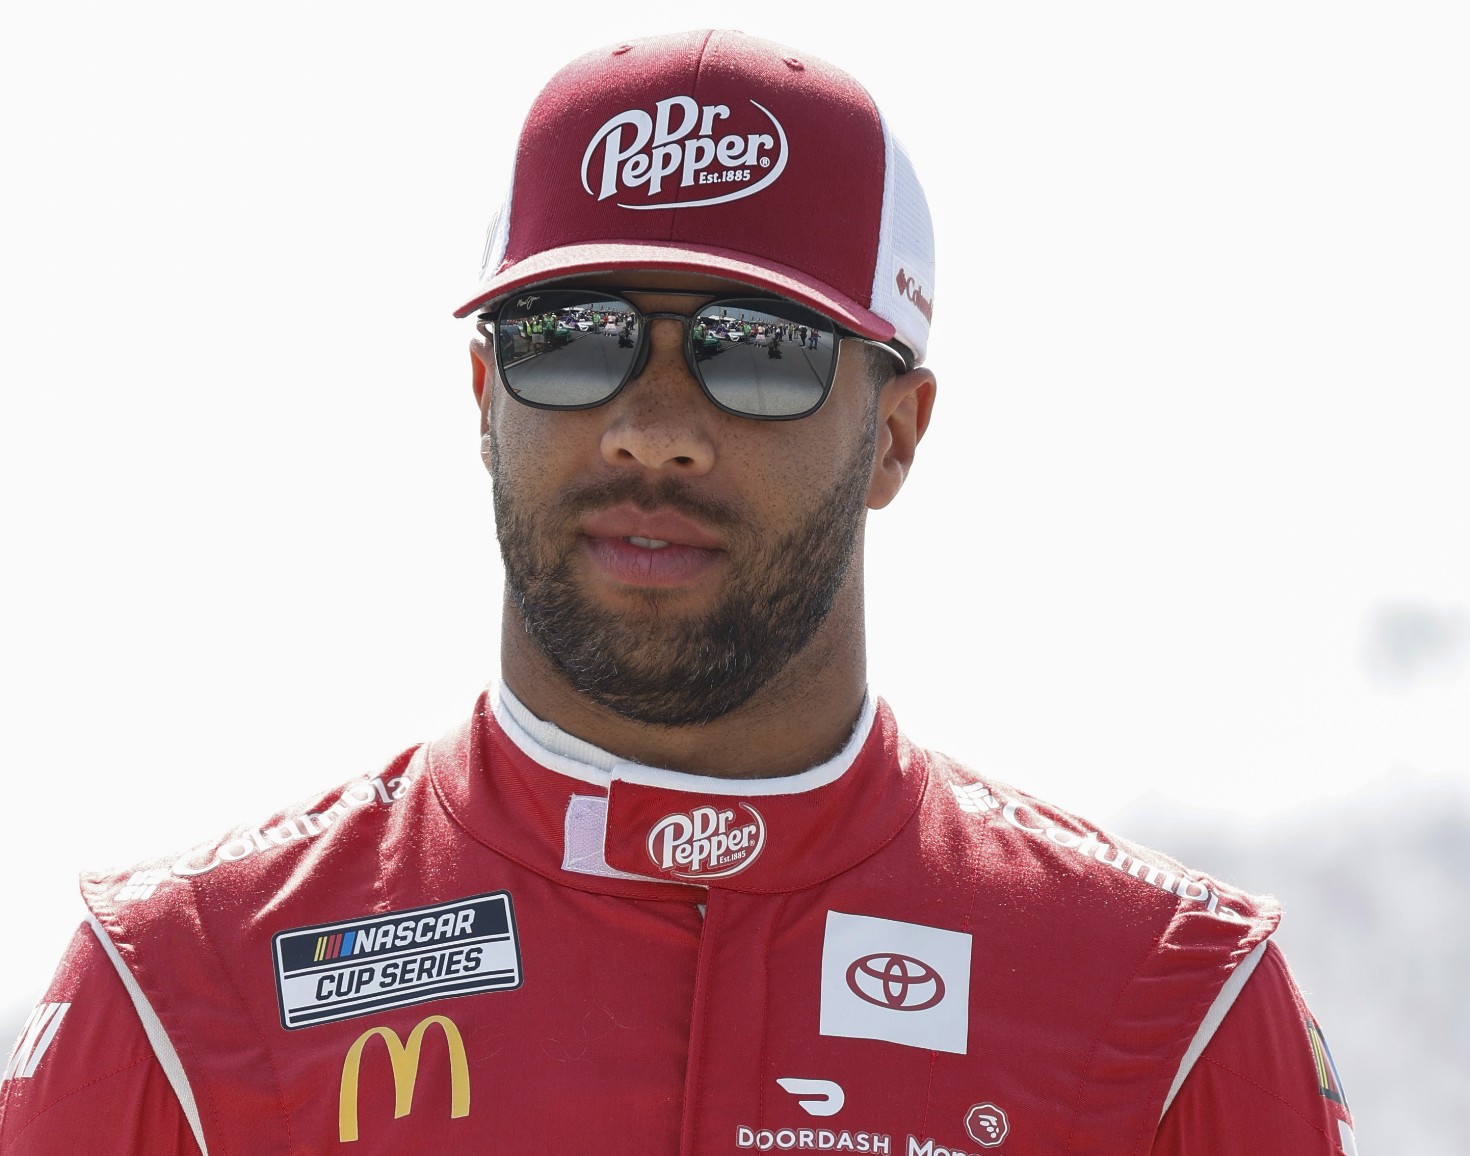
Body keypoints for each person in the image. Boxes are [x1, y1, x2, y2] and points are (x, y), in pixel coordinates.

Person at [0, 30, 1357, 1156]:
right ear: (484, 401)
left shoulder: (1171, 1006)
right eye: (569, 339)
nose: (651, 428)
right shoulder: (180, 994)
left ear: (895, 435)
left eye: (755, 351)